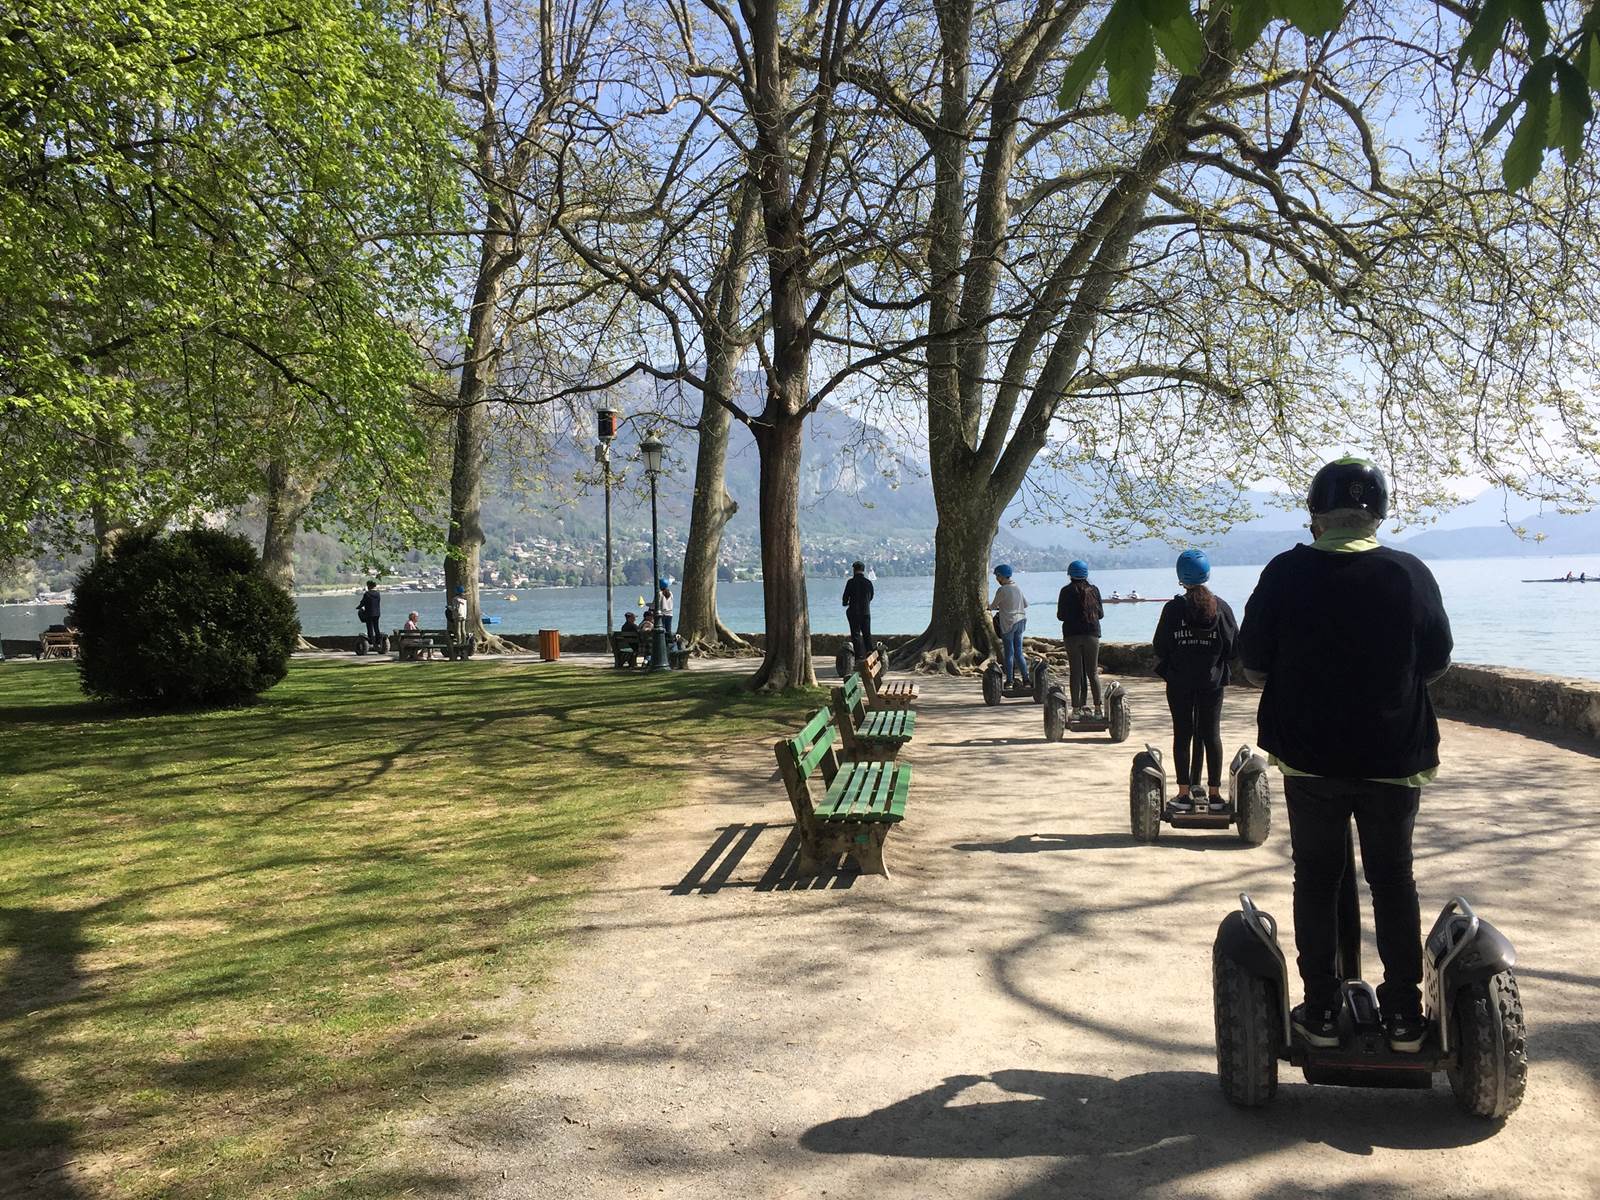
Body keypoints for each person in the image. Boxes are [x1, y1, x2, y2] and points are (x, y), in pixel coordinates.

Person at [1238, 457, 1452, 1055]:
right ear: (1377, 514)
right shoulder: (1410, 573)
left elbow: (1252, 664)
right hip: (1394, 756)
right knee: (1392, 879)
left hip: (1311, 759)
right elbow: (1436, 661)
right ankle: (1405, 1016)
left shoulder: (1285, 573)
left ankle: (1325, 1010)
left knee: (1318, 877)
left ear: (1316, 516)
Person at [1153, 550, 1238, 809]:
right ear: (1207, 574)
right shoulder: (1221, 607)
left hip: (1179, 682)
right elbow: (1234, 648)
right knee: (1211, 734)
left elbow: (1160, 646)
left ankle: (1182, 794)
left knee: (1183, 733)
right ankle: (1214, 795)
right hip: (1211, 682)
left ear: (1180, 577)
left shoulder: (1173, 608)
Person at [1056, 560, 1104, 717]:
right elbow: (1101, 615)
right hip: (1092, 634)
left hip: (1072, 636)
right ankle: (1098, 710)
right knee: (1093, 673)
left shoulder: (1065, 591)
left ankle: (1076, 710)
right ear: (1086, 574)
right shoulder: (1094, 590)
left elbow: (1060, 616)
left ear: (1070, 574)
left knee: (1075, 673)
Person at [988, 564, 1028, 687]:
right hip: (1021, 621)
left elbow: (993, 606)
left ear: (1001, 576)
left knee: (1009, 653)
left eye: (997, 577)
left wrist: (988, 607)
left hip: (1008, 623)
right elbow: (1025, 604)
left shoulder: (1002, 590)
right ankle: (1026, 680)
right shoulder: (1017, 588)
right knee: (1019, 653)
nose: (997, 579)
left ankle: (1010, 681)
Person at [842, 561, 874, 659]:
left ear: (854, 570)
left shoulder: (850, 582)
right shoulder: (868, 583)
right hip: (866, 612)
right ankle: (869, 652)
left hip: (854, 612)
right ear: (863, 570)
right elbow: (871, 596)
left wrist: (845, 603)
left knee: (856, 634)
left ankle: (859, 656)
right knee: (867, 633)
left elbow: (845, 598)